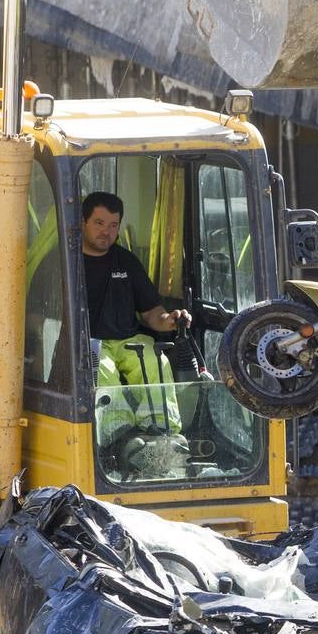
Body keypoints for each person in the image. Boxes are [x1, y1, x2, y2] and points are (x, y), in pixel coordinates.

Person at [81, 191, 190, 446]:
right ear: (83, 222)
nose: (106, 232)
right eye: (99, 223)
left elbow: (152, 312)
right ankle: (120, 436)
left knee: (155, 360)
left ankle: (164, 433)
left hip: (127, 339)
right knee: (102, 368)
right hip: (89, 342)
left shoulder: (126, 261)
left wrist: (171, 319)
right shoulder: (63, 262)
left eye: (113, 225)